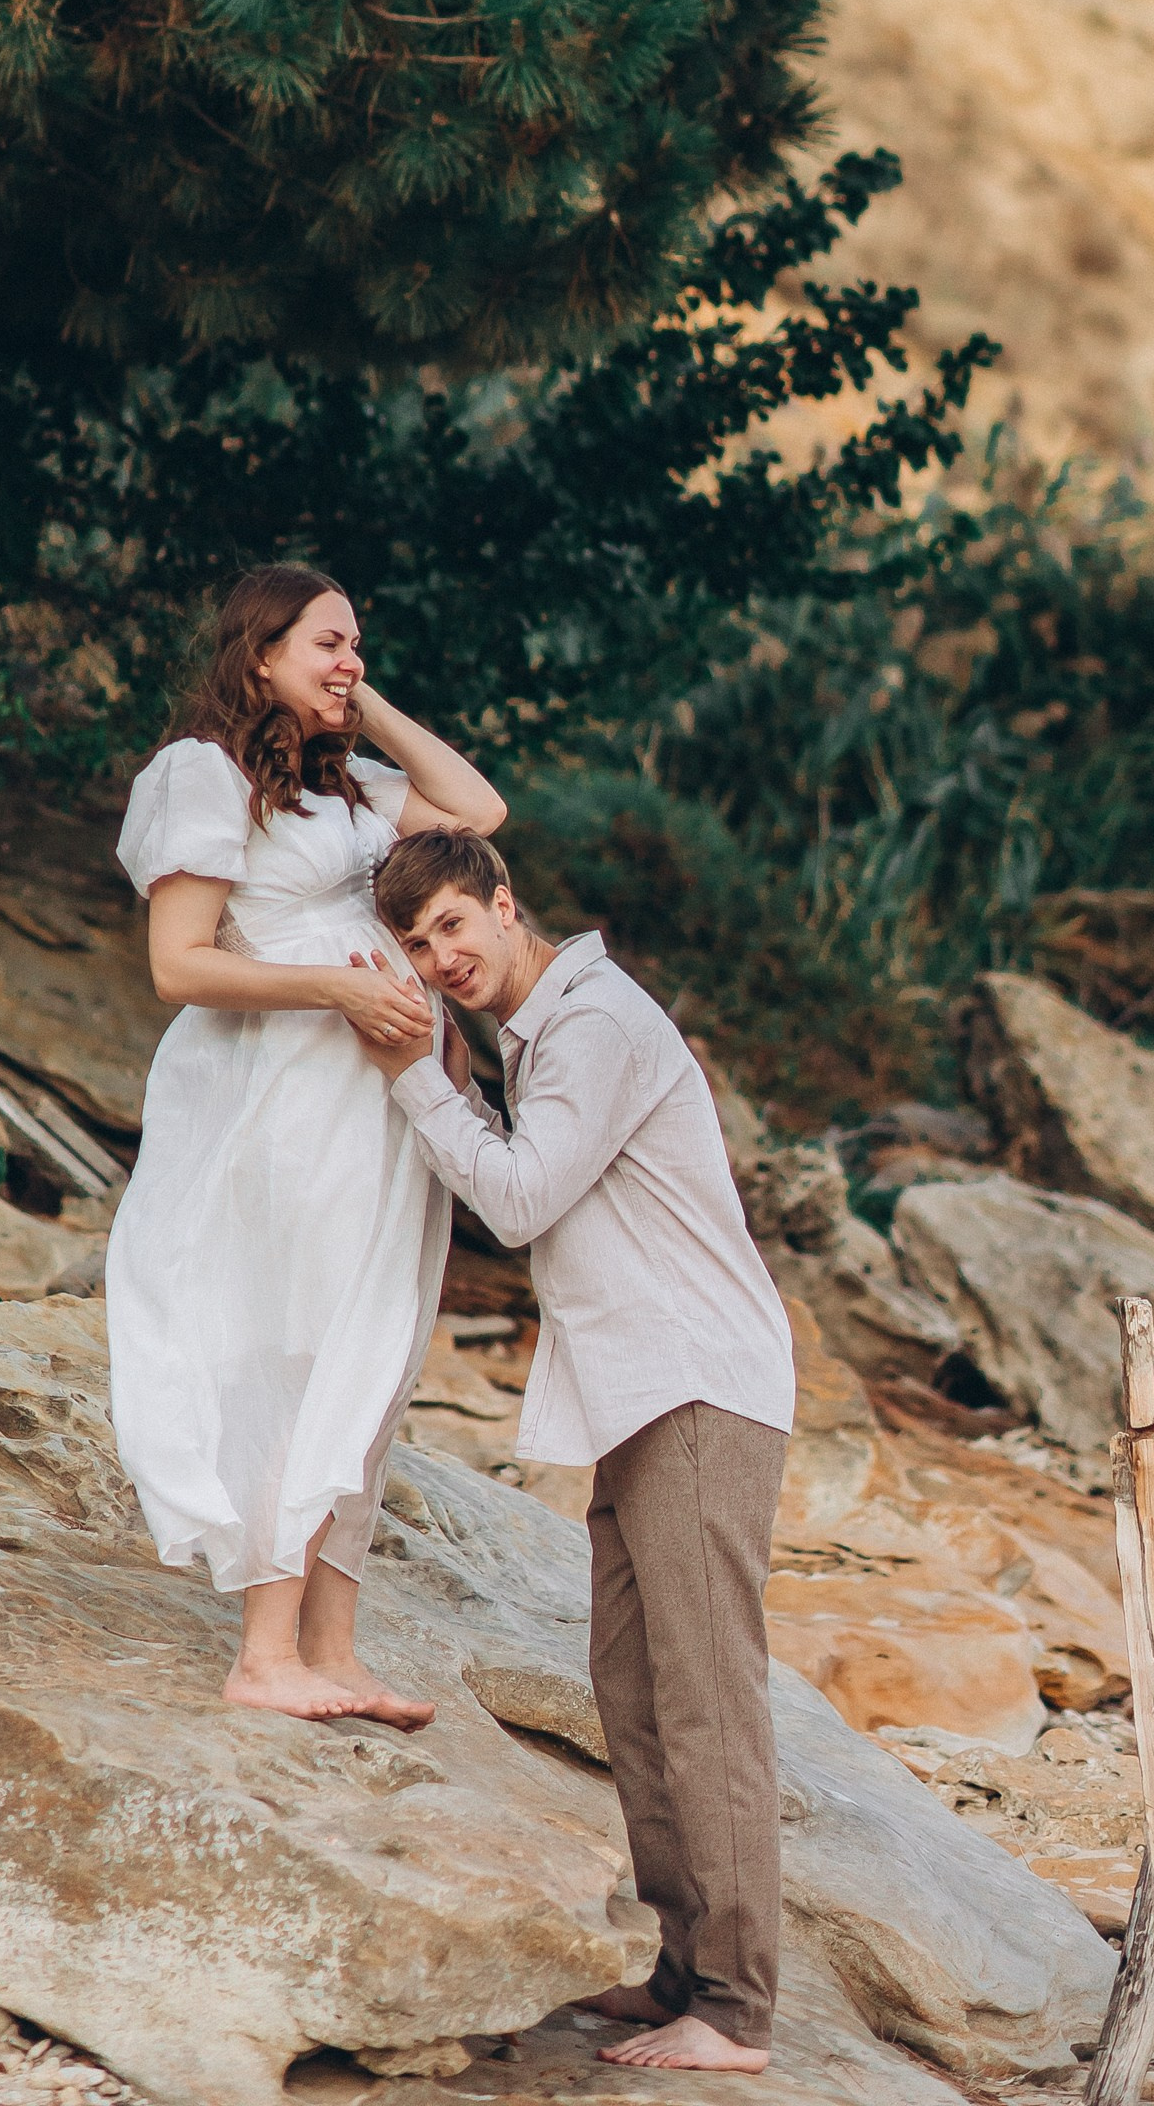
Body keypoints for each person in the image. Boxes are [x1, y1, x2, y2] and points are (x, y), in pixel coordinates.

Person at [359, 829, 795, 2079]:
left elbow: (518, 1198)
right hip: (638, 1395)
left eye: (453, 927)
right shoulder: (542, 1028)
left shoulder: (593, 1021)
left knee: (706, 1699)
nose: (441, 960)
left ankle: (739, 2007)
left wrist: (415, 1076)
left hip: (701, 1387)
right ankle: (682, 1970)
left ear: (505, 905)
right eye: (416, 947)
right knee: (634, 1691)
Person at [105, 564, 501, 1724]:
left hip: (382, 1103)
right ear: (257, 651)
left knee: (373, 1353)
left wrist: (359, 702)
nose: (348, 660)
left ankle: (332, 1648)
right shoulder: (203, 775)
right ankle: (264, 1655)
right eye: (327, 643)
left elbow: (477, 816)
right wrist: (336, 987)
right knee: (299, 1346)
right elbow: (179, 964)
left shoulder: (351, 792)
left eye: (357, 643)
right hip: (286, 1097)